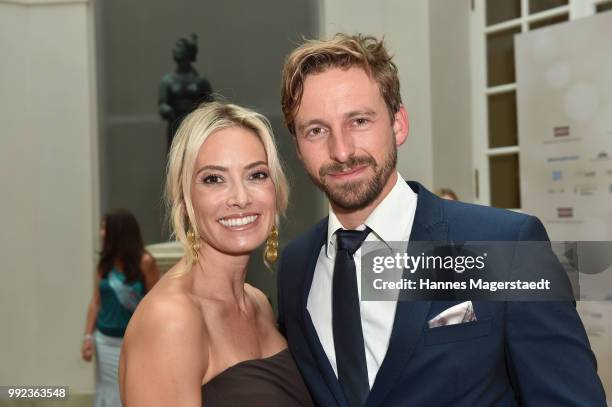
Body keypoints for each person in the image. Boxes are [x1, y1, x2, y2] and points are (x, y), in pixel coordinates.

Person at [277, 34, 606, 406]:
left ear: (398, 124)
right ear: (299, 148)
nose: (341, 150)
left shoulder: (505, 245)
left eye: (359, 120)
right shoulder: (296, 267)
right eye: (316, 130)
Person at [118, 101, 314, 407]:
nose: (240, 197)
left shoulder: (258, 303)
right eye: (214, 179)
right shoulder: (172, 320)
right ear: (185, 200)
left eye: (257, 175)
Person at [82, 209, 160, 407]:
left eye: (104, 228)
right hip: (105, 340)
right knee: (108, 390)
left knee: (130, 390)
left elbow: (156, 303)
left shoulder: (145, 262)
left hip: (134, 341)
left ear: (119, 232)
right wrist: (88, 337)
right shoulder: (105, 263)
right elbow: (96, 301)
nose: (100, 233)